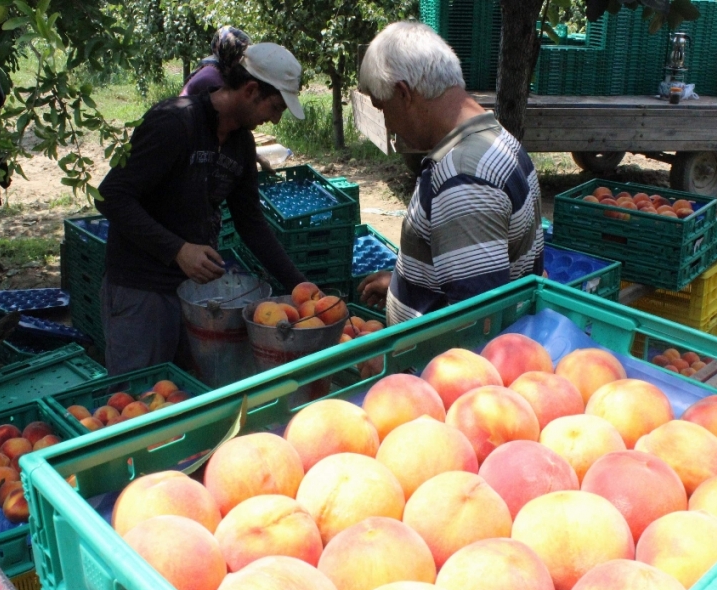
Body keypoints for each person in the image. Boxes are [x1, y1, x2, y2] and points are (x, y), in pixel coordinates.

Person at [96, 42, 307, 376]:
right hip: (142, 289)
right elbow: (111, 196)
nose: (276, 119)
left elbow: (250, 223)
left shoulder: (241, 143)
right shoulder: (174, 123)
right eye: (276, 106)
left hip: (195, 298)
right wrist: (177, 249)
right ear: (251, 90)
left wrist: (300, 288)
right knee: (136, 402)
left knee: (186, 400)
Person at [356, 21, 544, 326]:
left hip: (428, 370)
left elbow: (476, 326)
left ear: (404, 94)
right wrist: (406, 285)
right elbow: (481, 276)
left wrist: (396, 359)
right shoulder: (497, 140)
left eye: (383, 108)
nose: (388, 123)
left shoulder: (463, 178)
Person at [181, 26, 275, 172]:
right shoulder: (212, 80)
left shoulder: (221, 67)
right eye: (241, 58)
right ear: (230, 55)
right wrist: (256, 158)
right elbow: (233, 122)